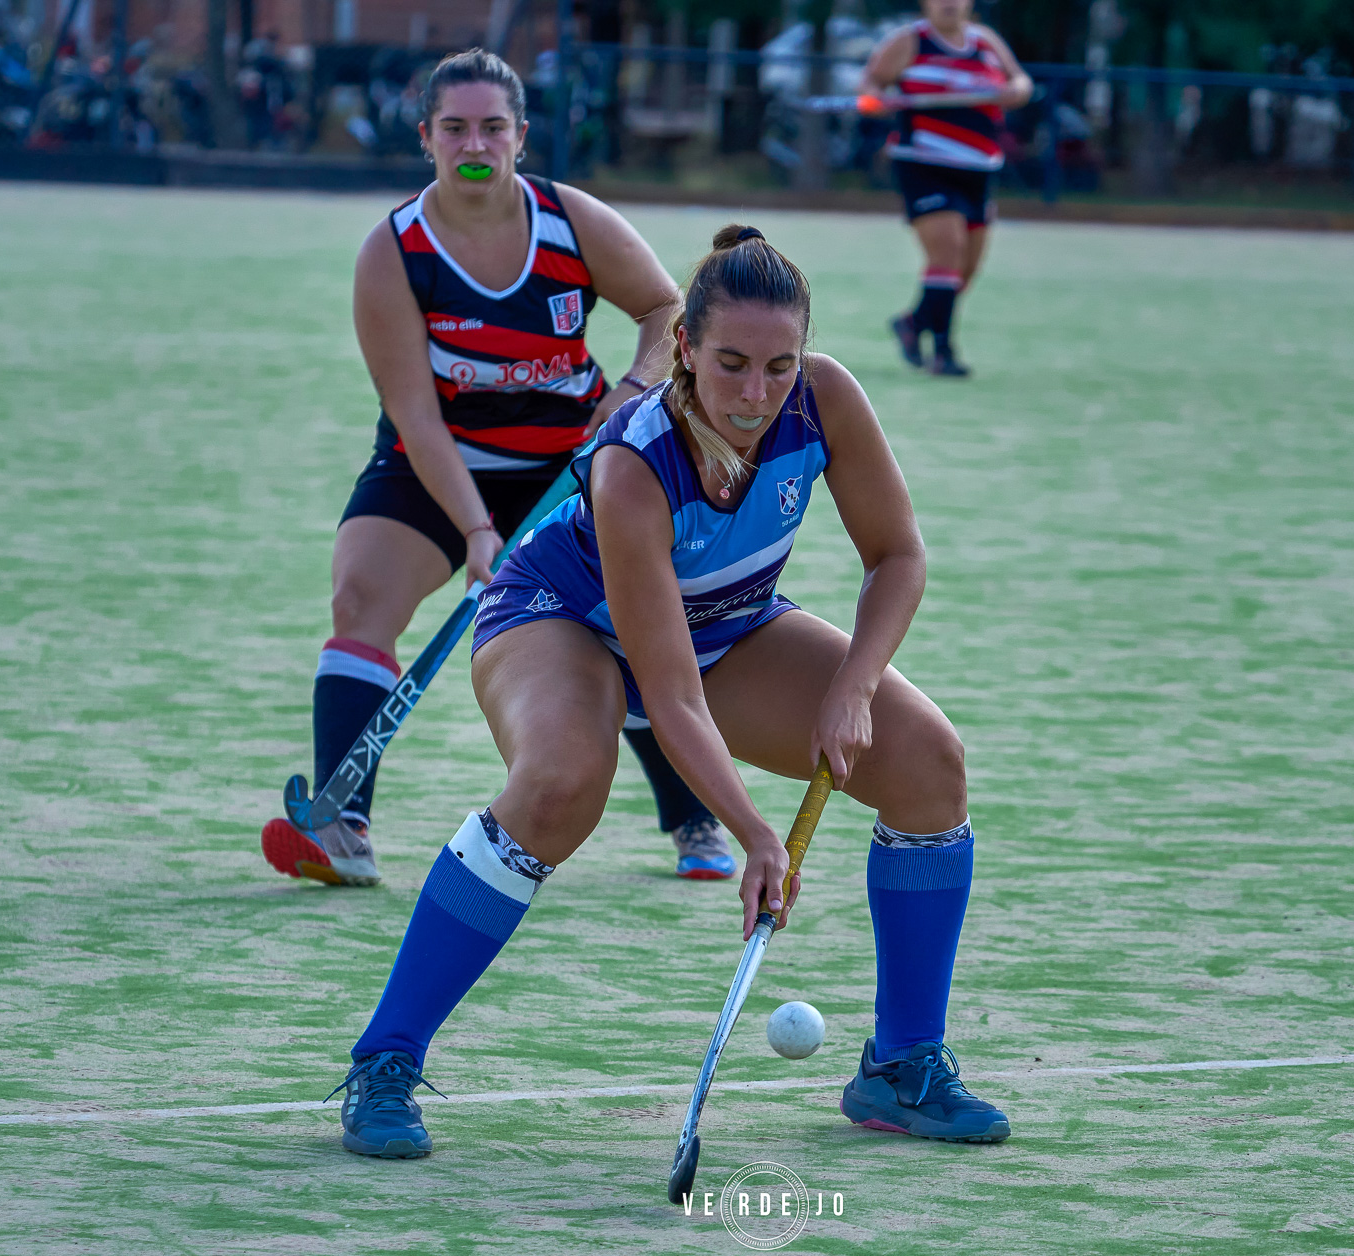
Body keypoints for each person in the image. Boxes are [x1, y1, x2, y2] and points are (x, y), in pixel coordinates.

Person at [325, 225, 1011, 1159]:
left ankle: (902, 1064)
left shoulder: (827, 399)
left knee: (929, 763)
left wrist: (854, 686)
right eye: (731, 363)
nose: (756, 393)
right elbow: (672, 699)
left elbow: (897, 555)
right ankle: (386, 1059)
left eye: (779, 366)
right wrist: (757, 837)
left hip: (728, 620)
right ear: (684, 346)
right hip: (565, 614)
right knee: (563, 783)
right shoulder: (632, 463)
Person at [260, 49, 736, 889]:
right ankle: (342, 827)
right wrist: (479, 531)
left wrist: (627, 393)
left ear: (520, 135)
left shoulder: (568, 221)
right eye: (454, 128)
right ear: (426, 139)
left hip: (571, 464)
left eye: (491, 127)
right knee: (361, 595)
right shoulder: (395, 251)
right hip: (437, 464)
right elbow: (414, 413)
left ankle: (693, 809)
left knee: (618, 622)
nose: (473, 143)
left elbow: (671, 313)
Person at [861, 0, 1031, 376]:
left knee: (966, 269)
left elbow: (1020, 80)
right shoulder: (910, 42)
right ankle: (943, 352)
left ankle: (913, 322)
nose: (949, 3)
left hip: (979, 167)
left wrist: (1014, 90)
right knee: (948, 252)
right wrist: (879, 101)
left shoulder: (985, 41)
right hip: (924, 164)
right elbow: (870, 87)